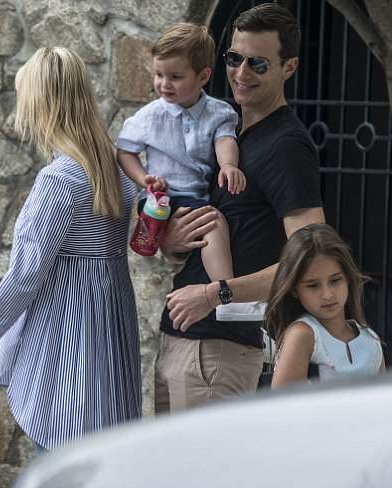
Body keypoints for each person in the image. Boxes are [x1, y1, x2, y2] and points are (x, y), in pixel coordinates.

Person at [0, 47, 141, 450]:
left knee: (59, 467)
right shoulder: (116, 170)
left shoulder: (60, 180)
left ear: (41, 104)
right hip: (110, 355)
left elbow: (21, 282)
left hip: (66, 362)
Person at [157, 3, 326, 412]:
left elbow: (311, 258)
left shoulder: (287, 146)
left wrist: (217, 293)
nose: (241, 72)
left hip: (218, 354)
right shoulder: (226, 129)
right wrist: (174, 242)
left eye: (258, 64)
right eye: (234, 58)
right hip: (183, 344)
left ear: (289, 67)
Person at [117, 22, 244, 284]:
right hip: (159, 197)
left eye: (175, 77)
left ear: (203, 76)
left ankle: (211, 282)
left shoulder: (218, 113)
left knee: (204, 231)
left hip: (192, 196)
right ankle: (227, 290)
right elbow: (125, 151)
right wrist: (143, 179)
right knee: (214, 223)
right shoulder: (149, 116)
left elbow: (225, 139)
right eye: (158, 74)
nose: (164, 84)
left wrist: (228, 165)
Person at [266, 224, 385, 387]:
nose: (327, 294)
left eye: (335, 280)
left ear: (348, 278)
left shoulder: (371, 338)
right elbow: (282, 402)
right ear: (294, 289)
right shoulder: (302, 335)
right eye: (313, 285)